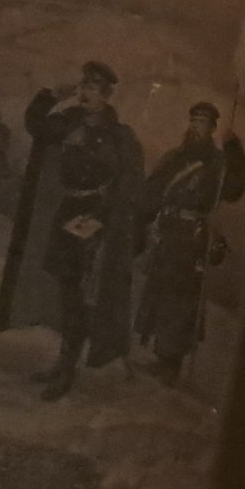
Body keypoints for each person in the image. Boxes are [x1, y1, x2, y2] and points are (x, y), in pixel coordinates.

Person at [19, 62, 145, 400]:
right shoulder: (69, 120)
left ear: (106, 95)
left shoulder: (119, 135)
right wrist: (50, 95)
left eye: (94, 88)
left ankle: (68, 371)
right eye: (84, 86)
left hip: (97, 218)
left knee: (82, 298)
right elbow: (35, 125)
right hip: (68, 213)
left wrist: (103, 218)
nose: (86, 93)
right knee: (67, 292)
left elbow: (130, 183)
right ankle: (63, 363)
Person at [133, 103, 245, 383]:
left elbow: (234, 190)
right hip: (168, 234)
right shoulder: (176, 157)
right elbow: (154, 188)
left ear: (212, 129)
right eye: (194, 121)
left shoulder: (218, 163)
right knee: (161, 294)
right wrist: (142, 220)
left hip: (192, 238)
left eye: (203, 123)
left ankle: (172, 365)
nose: (196, 127)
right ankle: (161, 357)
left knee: (182, 302)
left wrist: (235, 152)